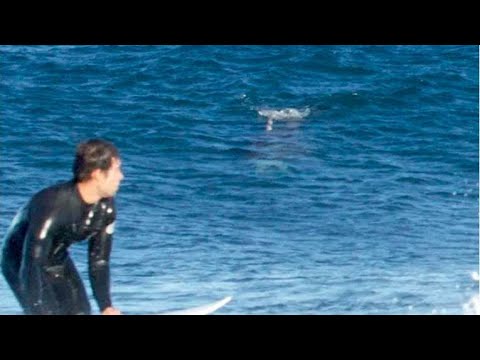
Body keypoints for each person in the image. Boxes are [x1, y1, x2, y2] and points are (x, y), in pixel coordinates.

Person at [1, 139, 124, 315]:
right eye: (116, 169)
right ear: (97, 173)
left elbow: (99, 261)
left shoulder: (106, 208)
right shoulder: (51, 205)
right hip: (21, 263)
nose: (121, 176)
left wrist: (106, 306)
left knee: (81, 312)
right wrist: (38, 309)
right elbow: (32, 265)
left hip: (57, 260)